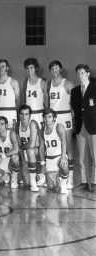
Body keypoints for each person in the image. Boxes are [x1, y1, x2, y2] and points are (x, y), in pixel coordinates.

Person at [46, 60, 74, 189]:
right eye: (52, 69)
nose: (54, 71)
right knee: (52, 145)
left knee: (68, 147)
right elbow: (47, 104)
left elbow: (75, 104)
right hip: (52, 117)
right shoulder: (48, 85)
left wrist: (70, 116)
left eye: (56, 68)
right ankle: (54, 173)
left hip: (64, 116)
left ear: (61, 69)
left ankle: (70, 179)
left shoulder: (68, 84)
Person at [71, 64, 96, 192]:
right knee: (82, 158)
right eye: (78, 73)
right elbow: (75, 109)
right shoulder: (74, 91)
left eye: (82, 73)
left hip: (93, 127)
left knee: (95, 156)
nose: (80, 75)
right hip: (80, 127)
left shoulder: (94, 88)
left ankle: (95, 182)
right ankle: (85, 182)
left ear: (88, 74)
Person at [39, 108, 69, 194]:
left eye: (49, 117)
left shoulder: (59, 127)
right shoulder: (42, 131)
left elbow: (64, 141)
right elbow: (41, 147)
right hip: (49, 159)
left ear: (54, 118)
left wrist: (63, 157)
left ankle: (63, 184)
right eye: (45, 117)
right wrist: (42, 164)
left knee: (64, 165)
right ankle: (57, 179)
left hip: (59, 156)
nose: (47, 119)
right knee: (51, 188)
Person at [0, 116, 20, 189]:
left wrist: (2, 156)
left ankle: (14, 177)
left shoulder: (11, 133)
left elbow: (16, 150)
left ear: (6, 125)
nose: (0, 126)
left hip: (11, 161)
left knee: (15, 157)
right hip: (1, 163)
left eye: (2, 124)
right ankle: (5, 176)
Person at [0, 59, 21, 129]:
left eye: (3, 66)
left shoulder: (14, 82)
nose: (1, 69)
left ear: (7, 68)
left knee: (12, 135)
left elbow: (18, 101)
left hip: (10, 113)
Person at [14, 105, 40, 191]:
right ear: (18, 115)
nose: (24, 117)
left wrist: (20, 148)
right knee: (26, 184)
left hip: (37, 151)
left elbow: (32, 144)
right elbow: (18, 144)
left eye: (26, 114)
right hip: (24, 151)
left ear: (30, 115)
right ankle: (28, 176)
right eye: (22, 114)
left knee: (30, 151)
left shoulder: (33, 124)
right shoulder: (17, 125)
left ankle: (34, 181)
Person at [22, 58, 48, 129]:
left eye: (31, 67)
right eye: (27, 68)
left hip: (40, 114)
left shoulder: (42, 83)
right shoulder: (25, 83)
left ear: (36, 68)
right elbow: (23, 101)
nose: (29, 70)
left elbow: (46, 103)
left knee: (40, 138)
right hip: (28, 115)